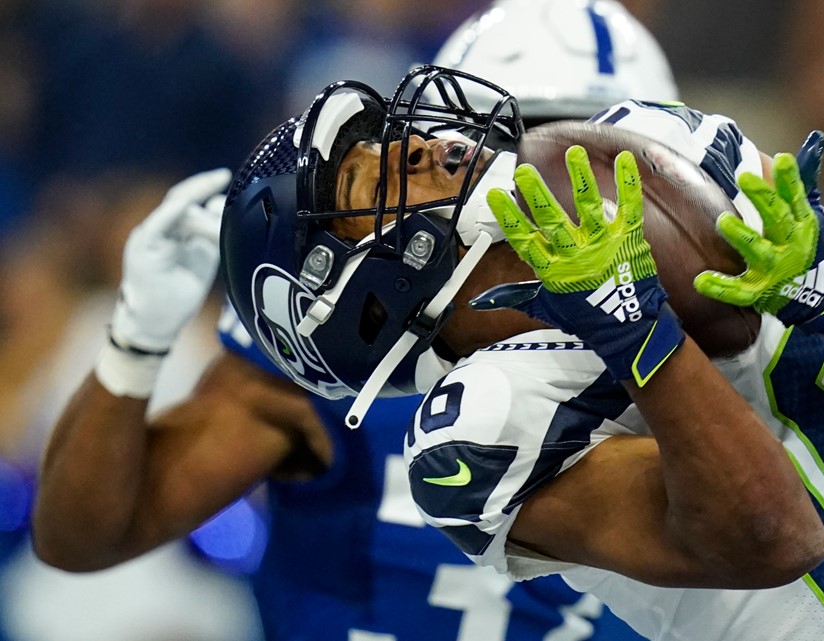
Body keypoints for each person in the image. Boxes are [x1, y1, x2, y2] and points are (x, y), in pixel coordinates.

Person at [211, 63, 824, 639]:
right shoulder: (475, 430)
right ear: (343, 301)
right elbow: (778, 538)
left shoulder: (644, 156)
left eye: (392, 135)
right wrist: (641, 337)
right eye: (369, 178)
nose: (416, 146)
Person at [30, 2, 680, 640]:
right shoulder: (340, 341)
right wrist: (135, 342)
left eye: (591, 149)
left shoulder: (681, 325)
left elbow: (756, 541)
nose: (548, 174)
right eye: (526, 137)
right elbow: (83, 535)